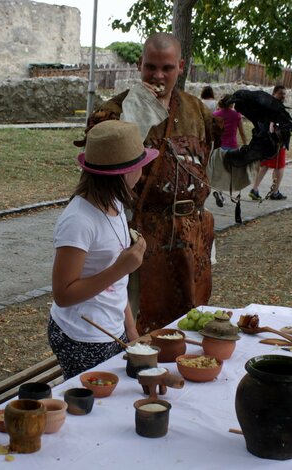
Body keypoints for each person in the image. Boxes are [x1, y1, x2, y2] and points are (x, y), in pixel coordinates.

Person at [76, 32, 215, 334]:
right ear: (139, 64)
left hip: (191, 233)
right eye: (151, 67)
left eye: (167, 68)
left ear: (181, 66)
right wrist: (135, 115)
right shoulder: (112, 113)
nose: (158, 75)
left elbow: (209, 164)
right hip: (141, 231)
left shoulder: (197, 111)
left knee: (191, 320)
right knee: (139, 321)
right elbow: (96, 176)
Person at [48, 120, 159, 380]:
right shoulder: (79, 221)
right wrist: (122, 267)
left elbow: (117, 288)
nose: (142, 173)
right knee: (92, 409)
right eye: (140, 167)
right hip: (83, 335)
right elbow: (63, 294)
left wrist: (131, 332)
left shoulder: (116, 205)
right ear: (124, 174)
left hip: (112, 328)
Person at [248, 85, 288, 201]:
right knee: (279, 167)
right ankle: (275, 192)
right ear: (274, 93)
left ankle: (254, 190)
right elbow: (273, 125)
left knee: (264, 166)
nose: (283, 96)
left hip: (266, 140)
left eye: (284, 94)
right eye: (281, 93)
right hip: (276, 142)